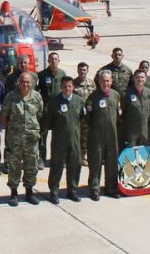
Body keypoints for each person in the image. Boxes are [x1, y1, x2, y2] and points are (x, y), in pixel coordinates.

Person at [1, 71, 44, 206]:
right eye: (23, 82)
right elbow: (4, 116)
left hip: (31, 139)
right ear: (18, 83)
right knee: (14, 166)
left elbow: (40, 114)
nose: (25, 84)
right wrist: (13, 129)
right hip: (15, 139)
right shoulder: (11, 96)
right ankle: (14, 193)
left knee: (31, 166)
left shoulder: (37, 96)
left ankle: (29, 192)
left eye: (27, 82)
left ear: (31, 83)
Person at [45, 75, 89, 202]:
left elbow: (83, 119)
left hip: (74, 140)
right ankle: (54, 191)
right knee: (57, 167)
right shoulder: (54, 102)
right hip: (59, 141)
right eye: (65, 86)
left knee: (75, 166)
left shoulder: (79, 101)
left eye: (69, 86)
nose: (67, 88)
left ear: (73, 87)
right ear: (61, 87)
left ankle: (72, 190)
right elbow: (48, 122)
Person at [84, 71, 121, 200]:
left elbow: (119, 114)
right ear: (99, 82)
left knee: (112, 161)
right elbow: (87, 117)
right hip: (97, 135)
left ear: (111, 81)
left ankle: (111, 188)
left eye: (108, 81)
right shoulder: (93, 97)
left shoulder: (116, 95)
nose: (106, 83)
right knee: (95, 162)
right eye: (103, 81)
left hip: (112, 134)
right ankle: (94, 189)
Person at [36, 52, 66, 169]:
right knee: (42, 136)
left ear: (59, 61)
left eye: (55, 59)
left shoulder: (62, 74)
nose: (53, 61)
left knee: (58, 136)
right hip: (46, 111)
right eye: (51, 59)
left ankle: (57, 159)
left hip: (58, 111)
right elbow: (37, 92)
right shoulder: (42, 75)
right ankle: (41, 159)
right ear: (48, 61)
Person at [121, 68, 150, 148]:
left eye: (142, 77)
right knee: (130, 154)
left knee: (142, 153)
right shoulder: (126, 94)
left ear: (145, 79)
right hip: (130, 132)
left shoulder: (149, 93)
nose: (140, 79)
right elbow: (121, 113)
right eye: (137, 77)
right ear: (133, 78)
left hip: (144, 132)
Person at [73, 61, 95, 167]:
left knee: (86, 137)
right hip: (77, 115)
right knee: (77, 136)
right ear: (77, 70)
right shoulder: (73, 83)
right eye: (80, 70)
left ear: (87, 71)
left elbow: (94, 97)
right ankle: (77, 156)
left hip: (88, 115)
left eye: (84, 70)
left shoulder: (92, 83)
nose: (82, 72)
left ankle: (83, 156)